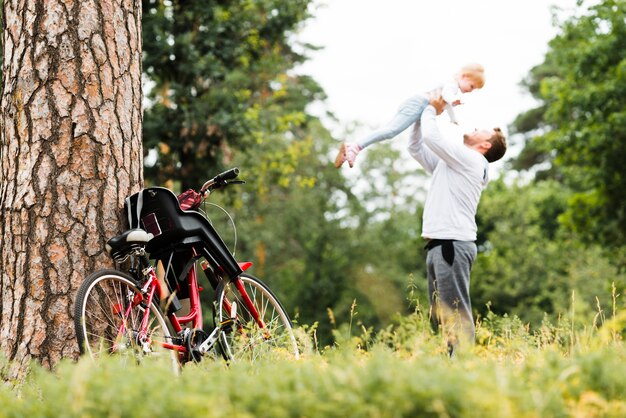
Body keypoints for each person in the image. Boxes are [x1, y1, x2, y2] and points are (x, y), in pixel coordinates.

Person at [408, 93, 506, 354]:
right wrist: (420, 116)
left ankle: (462, 367)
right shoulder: (454, 164)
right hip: (440, 245)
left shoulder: (473, 160)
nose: (471, 129)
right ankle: (449, 367)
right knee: (440, 315)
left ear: (485, 145)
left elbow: (432, 138)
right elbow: (417, 147)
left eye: (478, 130)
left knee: (455, 312)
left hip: (452, 244)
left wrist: (431, 108)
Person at [335, 63, 486, 168]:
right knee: (391, 131)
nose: (470, 91)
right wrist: (453, 100)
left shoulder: (453, 86)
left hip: (419, 106)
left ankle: (352, 149)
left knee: (395, 133)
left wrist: (453, 119)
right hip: (419, 104)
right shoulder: (452, 85)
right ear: (464, 76)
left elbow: (447, 105)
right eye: (472, 86)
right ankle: (354, 147)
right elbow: (447, 96)